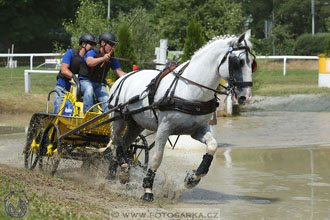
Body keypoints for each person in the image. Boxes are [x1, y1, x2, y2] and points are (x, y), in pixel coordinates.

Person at [79, 32, 125, 114]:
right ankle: (88, 114)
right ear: (103, 43)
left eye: (114, 45)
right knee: (89, 90)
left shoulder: (111, 57)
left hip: (99, 84)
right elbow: (89, 62)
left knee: (106, 99)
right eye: (111, 44)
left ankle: (107, 119)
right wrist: (103, 59)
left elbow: (119, 72)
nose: (113, 48)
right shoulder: (92, 52)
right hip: (85, 81)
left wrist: (132, 77)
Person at [53, 33, 97, 114]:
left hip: (77, 93)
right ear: (83, 44)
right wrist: (74, 77)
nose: (93, 47)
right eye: (91, 44)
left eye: (95, 45)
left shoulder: (89, 60)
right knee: (59, 115)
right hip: (63, 89)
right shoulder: (71, 53)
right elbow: (64, 70)